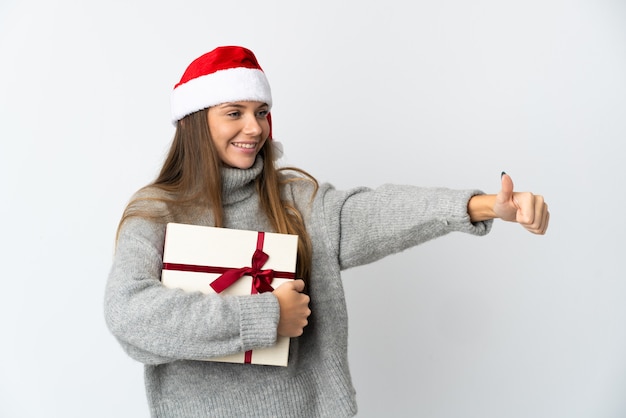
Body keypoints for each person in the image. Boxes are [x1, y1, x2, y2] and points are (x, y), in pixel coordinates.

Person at [104, 45, 549, 418]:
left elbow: (373, 211)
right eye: (234, 112)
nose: (254, 127)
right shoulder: (156, 211)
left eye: (261, 112)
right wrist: (267, 316)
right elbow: (130, 314)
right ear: (197, 123)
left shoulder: (296, 200)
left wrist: (482, 205)